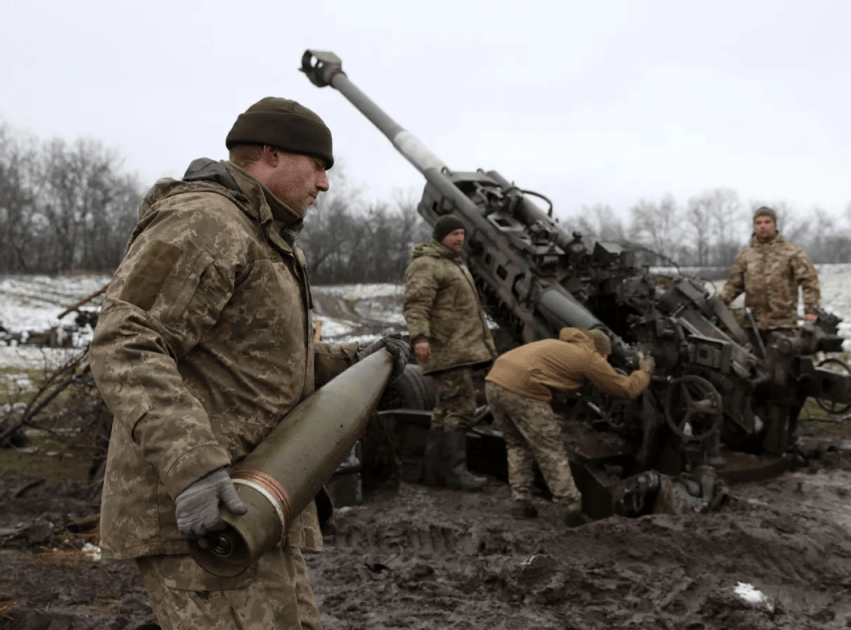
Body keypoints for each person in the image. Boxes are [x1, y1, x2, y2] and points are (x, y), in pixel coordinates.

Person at [89, 97, 408, 629]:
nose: (324, 184)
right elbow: (126, 341)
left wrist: (363, 361)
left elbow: (264, 367)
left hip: (257, 503)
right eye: (319, 166)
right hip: (204, 512)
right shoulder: (204, 221)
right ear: (271, 155)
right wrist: (193, 466)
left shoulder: (264, 238)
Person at [484, 328, 655, 527]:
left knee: (517, 445)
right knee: (551, 451)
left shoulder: (561, 348)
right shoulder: (589, 357)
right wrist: (645, 371)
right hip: (523, 389)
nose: (606, 363)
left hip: (495, 380)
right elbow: (626, 389)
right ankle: (571, 510)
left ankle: (521, 502)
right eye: (606, 358)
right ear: (602, 352)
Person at [403, 214, 498, 490]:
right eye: (454, 234)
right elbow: (416, 305)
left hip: (460, 348)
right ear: (441, 236)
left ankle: (436, 473)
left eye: (462, 234)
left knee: (445, 410)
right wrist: (419, 337)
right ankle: (456, 473)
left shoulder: (454, 265)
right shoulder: (427, 265)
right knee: (462, 407)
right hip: (448, 349)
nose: (459, 239)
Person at [718, 206, 821, 337]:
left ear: (775, 225)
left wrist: (811, 311)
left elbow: (809, 281)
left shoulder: (792, 252)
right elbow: (733, 287)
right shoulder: (746, 256)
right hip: (752, 325)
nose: (763, 226)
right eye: (758, 223)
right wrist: (715, 305)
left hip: (783, 324)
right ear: (754, 226)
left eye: (767, 222)